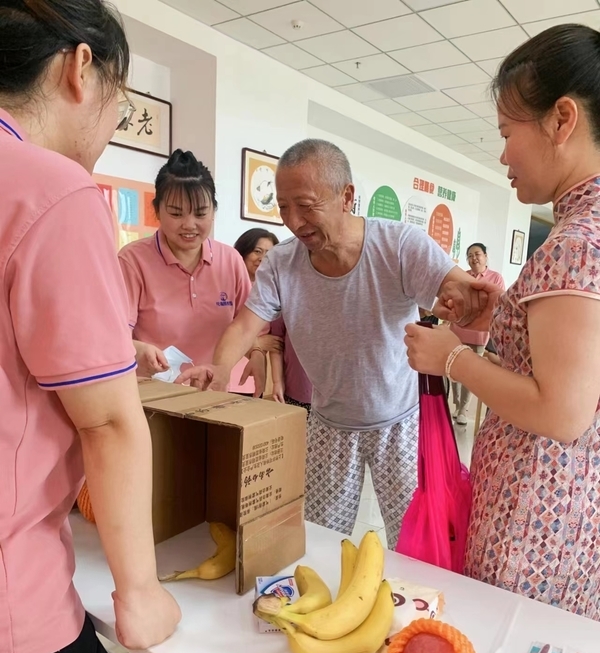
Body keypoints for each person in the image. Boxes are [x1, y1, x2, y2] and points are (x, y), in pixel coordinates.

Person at [0, 1, 181, 653]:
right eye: (120, 98)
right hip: (12, 609)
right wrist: (138, 595)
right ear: (80, 69)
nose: (111, 120)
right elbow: (109, 421)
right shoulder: (54, 188)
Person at [177, 139, 495, 548]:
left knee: (416, 540)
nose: (293, 221)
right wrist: (220, 370)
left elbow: (451, 284)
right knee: (319, 539)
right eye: (283, 207)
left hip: (401, 422)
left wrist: (461, 297)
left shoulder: (399, 246)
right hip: (330, 426)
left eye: (306, 205)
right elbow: (244, 325)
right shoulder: (281, 262)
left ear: (346, 196)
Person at [405, 23, 600, 620]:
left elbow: (561, 412)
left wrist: (452, 359)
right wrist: (496, 331)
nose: (503, 154)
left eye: (507, 132)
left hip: (533, 515)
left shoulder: (577, 242)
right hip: (569, 507)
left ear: (561, 121)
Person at [119, 152, 279, 395]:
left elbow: (247, 326)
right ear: (157, 210)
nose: (189, 224)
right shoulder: (132, 261)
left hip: (217, 390)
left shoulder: (230, 260)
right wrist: (136, 349)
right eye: (176, 213)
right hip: (156, 395)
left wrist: (255, 351)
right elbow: (113, 336)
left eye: (201, 213)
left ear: (213, 210)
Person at [234, 228, 313, 412]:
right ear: (243, 252)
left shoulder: (274, 290)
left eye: (269, 253)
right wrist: (259, 343)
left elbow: (277, 341)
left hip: (258, 371)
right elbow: (227, 328)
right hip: (233, 371)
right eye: (257, 251)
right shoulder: (233, 285)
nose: (263, 258)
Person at [450, 243, 505, 425]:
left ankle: (463, 409)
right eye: (470, 255)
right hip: (458, 330)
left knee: (470, 373)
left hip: (479, 334)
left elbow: (498, 304)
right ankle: (457, 404)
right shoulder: (463, 276)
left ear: (485, 256)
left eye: (477, 254)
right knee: (453, 370)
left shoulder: (495, 278)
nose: (474, 258)